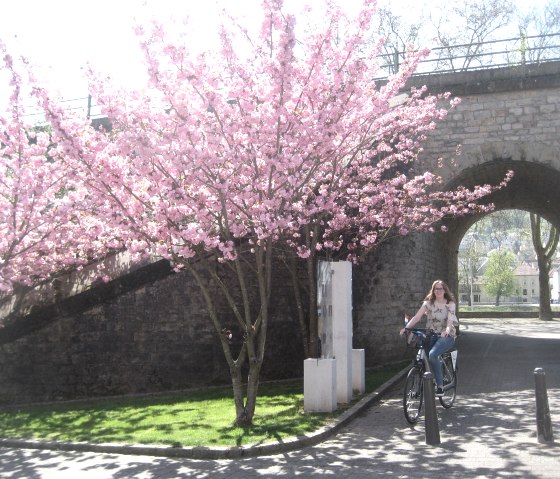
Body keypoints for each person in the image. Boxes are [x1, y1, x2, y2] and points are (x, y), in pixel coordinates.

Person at [399, 280, 458, 396]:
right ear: (433, 290)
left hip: (447, 335)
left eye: (440, 288)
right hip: (431, 334)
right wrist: (406, 328)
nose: (438, 291)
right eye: (436, 289)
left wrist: (446, 331)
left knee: (432, 354)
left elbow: (450, 320)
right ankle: (423, 380)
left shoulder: (450, 304)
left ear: (444, 290)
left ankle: (440, 386)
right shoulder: (428, 303)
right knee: (428, 356)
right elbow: (416, 317)